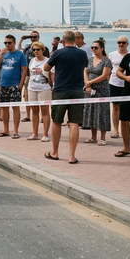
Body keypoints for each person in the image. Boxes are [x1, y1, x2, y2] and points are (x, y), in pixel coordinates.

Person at [44, 30, 89, 164]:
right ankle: (71, 155)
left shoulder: (58, 53)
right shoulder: (82, 53)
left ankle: (55, 152)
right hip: (77, 90)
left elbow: (46, 68)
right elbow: (84, 67)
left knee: (57, 121)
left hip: (61, 90)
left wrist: (53, 56)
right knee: (74, 122)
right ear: (75, 40)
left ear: (63, 41)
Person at [0, 34, 27, 138]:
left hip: (14, 85)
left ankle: (15, 130)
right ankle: (6, 129)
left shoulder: (19, 54)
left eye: (9, 43)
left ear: (14, 43)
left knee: (15, 108)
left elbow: (24, 70)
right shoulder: (2, 54)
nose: (7, 45)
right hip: (3, 85)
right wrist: (1, 55)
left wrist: (20, 85)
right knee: (4, 108)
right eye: (5, 43)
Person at [83, 40, 112, 145]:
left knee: (102, 112)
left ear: (102, 48)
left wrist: (90, 82)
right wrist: (87, 83)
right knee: (91, 111)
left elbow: (104, 75)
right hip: (89, 89)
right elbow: (85, 71)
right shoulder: (89, 59)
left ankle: (103, 137)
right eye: (92, 47)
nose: (94, 49)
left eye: (96, 47)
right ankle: (93, 136)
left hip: (102, 90)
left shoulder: (106, 61)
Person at [19, 31, 48, 122]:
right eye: (31, 37)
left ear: (38, 37)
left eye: (35, 37)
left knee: (42, 99)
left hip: (41, 76)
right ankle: (28, 115)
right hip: (28, 74)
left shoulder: (44, 48)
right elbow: (20, 51)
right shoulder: (28, 47)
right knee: (27, 95)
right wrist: (21, 40)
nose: (33, 38)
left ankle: (43, 116)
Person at [26, 41, 52, 142]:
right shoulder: (32, 60)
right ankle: (35, 133)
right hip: (32, 88)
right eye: (34, 50)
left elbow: (51, 75)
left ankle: (45, 134)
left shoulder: (48, 61)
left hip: (44, 88)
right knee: (34, 111)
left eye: (38, 49)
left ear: (42, 50)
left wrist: (51, 87)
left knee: (45, 111)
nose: (36, 51)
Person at [108, 36, 129, 139]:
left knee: (125, 108)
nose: (121, 44)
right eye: (119, 42)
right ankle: (116, 130)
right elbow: (108, 69)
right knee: (115, 107)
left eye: (123, 42)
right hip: (114, 83)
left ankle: (124, 129)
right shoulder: (112, 55)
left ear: (127, 44)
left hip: (127, 84)